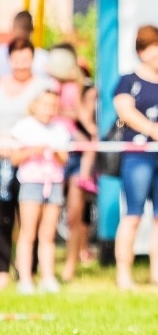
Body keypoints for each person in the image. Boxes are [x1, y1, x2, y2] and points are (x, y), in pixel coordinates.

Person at [113, 25, 158, 289]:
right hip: (137, 157)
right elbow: (125, 111)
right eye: (155, 47)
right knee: (133, 215)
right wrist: (155, 131)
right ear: (142, 52)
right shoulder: (128, 81)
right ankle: (124, 274)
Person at [0, 37, 50, 289]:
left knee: (32, 220)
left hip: (34, 162)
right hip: (3, 160)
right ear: (9, 60)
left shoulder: (43, 86)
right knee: (3, 216)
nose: (21, 63)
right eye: (16, 58)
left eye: (26, 58)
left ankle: (29, 270)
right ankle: (2, 269)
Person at [10, 89, 70, 293]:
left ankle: (48, 277)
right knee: (27, 232)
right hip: (31, 183)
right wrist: (33, 150)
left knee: (48, 234)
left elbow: (65, 160)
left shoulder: (59, 129)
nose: (49, 109)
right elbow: (15, 158)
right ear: (35, 105)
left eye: (53, 105)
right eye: (45, 104)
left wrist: (55, 152)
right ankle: (25, 279)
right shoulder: (24, 128)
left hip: (53, 183)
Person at [49, 44, 98, 282]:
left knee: (74, 214)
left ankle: (70, 264)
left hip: (75, 152)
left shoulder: (74, 88)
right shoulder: (45, 87)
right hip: (54, 152)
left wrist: (88, 130)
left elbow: (84, 119)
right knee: (47, 213)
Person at [0, 11, 48, 77]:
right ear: (32, 30)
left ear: (12, 28)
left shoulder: (1, 52)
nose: (20, 67)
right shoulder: (43, 58)